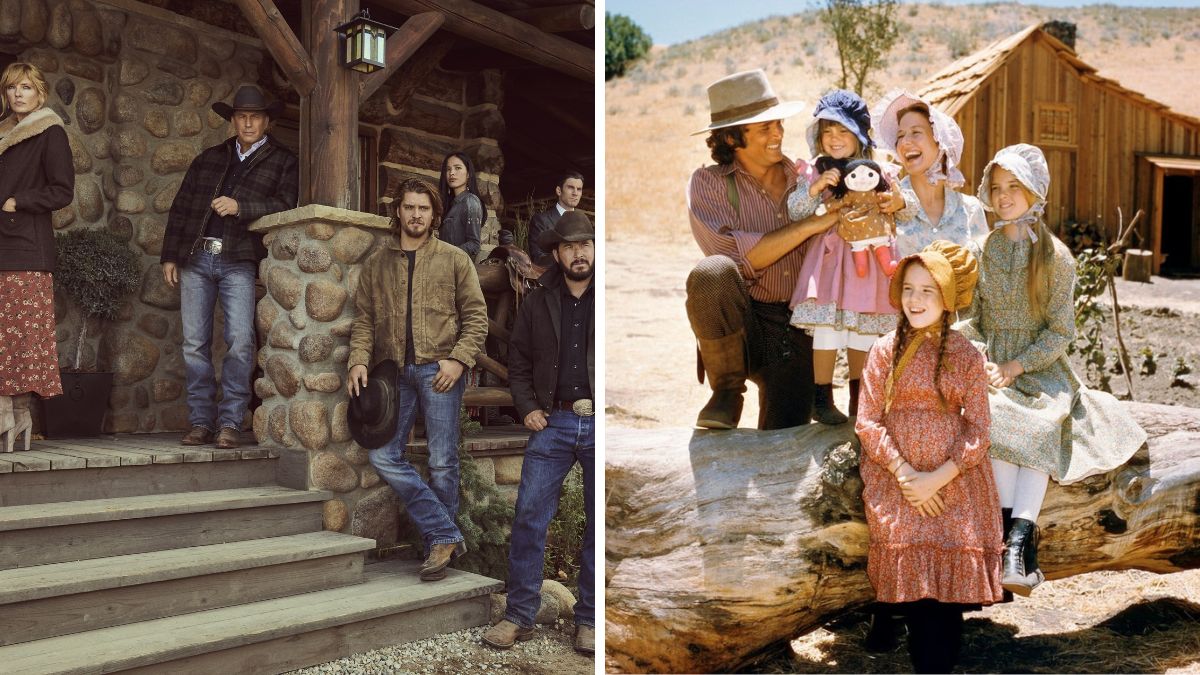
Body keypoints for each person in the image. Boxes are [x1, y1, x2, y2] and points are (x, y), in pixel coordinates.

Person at [960, 143, 1147, 596]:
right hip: (992, 364)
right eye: (998, 187)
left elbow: (1061, 332)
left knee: (1042, 425)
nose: (1004, 196)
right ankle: (1010, 546)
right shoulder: (981, 249)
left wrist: (1018, 364)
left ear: (1035, 192)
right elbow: (970, 317)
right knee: (997, 420)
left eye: (1015, 187)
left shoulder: (1055, 257)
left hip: (1039, 365)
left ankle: (1017, 542)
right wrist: (985, 359)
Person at [856, 240, 1003, 673]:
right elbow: (868, 421)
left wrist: (939, 476)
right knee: (915, 568)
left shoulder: (966, 356)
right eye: (909, 289)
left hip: (953, 474)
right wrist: (905, 475)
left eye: (928, 291)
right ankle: (898, 630)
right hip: (893, 472)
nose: (915, 300)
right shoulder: (885, 349)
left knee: (944, 588)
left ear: (947, 298)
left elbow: (979, 428)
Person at [347, 178, 488, 582]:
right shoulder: (377, 263)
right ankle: (444, 533)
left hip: (439, 370)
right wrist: (358, 360)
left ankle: (437, 552)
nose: (415, 215)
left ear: (434, 214)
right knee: (383, 455)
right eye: (409, 207)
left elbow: (476, 317)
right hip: (394, 376)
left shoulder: (454, 259)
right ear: (399, 212)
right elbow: (365, 320)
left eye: (423, 209)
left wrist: (459, 361)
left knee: (443, 462)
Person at [686, 69, 840, 430]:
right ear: (732, 138)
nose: (779, 134)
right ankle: (725, 392)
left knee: (786, 438)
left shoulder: (808, 178)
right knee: (712, 273)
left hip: (797, 326)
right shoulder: (708, 184)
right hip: (742, 321)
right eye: (765, 128)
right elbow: (736, 258)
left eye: (779, 124)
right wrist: (807, 225)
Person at [482, 211, 595, 655]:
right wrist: (527, 408)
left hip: (601, 421)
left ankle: (588, 619)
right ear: (556, 253)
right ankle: (520, 615)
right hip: (554, 420)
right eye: (569, 246)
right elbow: (519, 360)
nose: (578, 252)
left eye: (585, 244)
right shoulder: (537, 299)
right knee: (530, 517)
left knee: (597, 526)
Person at [161, 84, 298, 450]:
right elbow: (182, 206)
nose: (248, 122)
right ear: (233, 120)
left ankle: (231, 422)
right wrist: (170, 256)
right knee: (194, 344)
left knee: (240, 340)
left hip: (239, 259)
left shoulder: (284, 160)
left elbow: (285, 205)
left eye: (255, 117)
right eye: (241, 116)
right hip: (197, 257)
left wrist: (242, 207)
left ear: (266, 121)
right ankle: (202, 421)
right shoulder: (209, 157)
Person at [787, 90, 907, 425]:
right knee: (827, 329)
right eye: (828, 131)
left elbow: (902, 209)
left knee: (863, 329)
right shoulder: (815, 170)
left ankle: (860, 397)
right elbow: (796, 212)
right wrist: (814, 190)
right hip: (829, 262)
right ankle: (821, 397)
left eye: (843, 131)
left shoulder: (879, 170)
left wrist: (897, 202)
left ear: (858, 134)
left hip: (868, 260)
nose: (835, 139)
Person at [0, 62, 74, 443]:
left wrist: (18, 201)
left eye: (26, 87)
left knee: (23, 338)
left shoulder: (50, 132)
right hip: (2, 246)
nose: (18, 94)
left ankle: (17, 417)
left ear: (39, 92)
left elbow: (63, 190)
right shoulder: (3, 134)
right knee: (4, 338)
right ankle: (15, 419)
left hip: (27, 248)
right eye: (12, 87)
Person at [872, 91, 986, 258]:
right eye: (900, 136)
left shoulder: (971, 210)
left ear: (941, 141)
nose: (905, 142)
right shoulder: (887, 203)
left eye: (916, 132)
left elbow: (984, 278)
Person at [528, 170, 583, 265]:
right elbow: (538, 258)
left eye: (579, 189)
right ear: (559, 191)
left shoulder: (584, 222)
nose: (575, 193)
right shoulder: (541, 220)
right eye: (570, 187)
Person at [438, 151, 484, 260]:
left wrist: (447, 255)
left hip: (459, 270)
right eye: (448, 169)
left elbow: (474, 245)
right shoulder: (450, 204)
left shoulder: (470, 201)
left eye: (457, 168)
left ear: (468, 174)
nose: (451, 173)